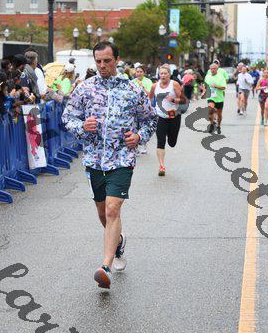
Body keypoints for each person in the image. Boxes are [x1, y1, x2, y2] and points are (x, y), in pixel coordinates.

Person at [62, 41, 157, 290]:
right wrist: (82, 126)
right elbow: (68, 117)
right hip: (94, 160)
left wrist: (139, 136)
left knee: (113, 210)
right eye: (98, 61)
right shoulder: (85, 88)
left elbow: (150, 119)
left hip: (122, 159)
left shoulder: (132, 89)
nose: (102, 65)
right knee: (103, 214)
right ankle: (118, 242)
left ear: (117, 60)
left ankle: (105, 266)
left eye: (107, 61)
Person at [149, 64, 186, 176]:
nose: (163, 75)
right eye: (161, 73)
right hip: (160, 117)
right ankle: (162, 166)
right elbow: (150, 97)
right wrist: (150, 109)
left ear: (169, 75)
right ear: (159, 75)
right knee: (160, 142)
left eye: (165, 73)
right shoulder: (155, 86)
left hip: (174, 117)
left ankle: (171, 140)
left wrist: (174, 100)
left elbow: (184, 100)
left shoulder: (174, 85)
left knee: (172, 142)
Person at [204, 62, 226, 134]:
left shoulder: (221, 77)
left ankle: (218, 126)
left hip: (219, 98)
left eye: (214, 69)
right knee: (210, 109)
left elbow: (223, 87)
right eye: (211, 69)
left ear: (217, 69)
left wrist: (216, 86)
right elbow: (205, 85)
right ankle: (211, 124)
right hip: (211, 97)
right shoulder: (207, 76)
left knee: (219, 115)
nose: (212, 70)